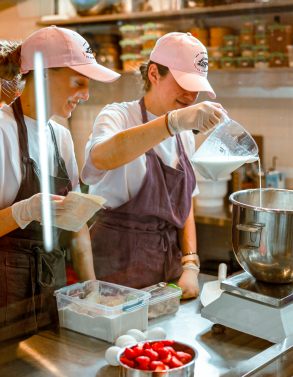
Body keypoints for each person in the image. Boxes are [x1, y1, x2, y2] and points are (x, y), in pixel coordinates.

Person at [0, 26, 120, 345]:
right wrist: (24, 211)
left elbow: (76, 225)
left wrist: (92, 292)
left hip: (51, 290)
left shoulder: (61, 136)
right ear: (46, 73)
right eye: (79, 82)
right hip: (0, 295)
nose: (86, 95)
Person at [83, 32, 227, 298]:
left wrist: (190, 264)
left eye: (196, 86)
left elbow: (185, 205)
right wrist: (172, 122)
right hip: (116, 268)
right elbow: (100, 158)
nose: (190, 95)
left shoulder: (185, 133)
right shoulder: (117, 116)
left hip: (168, 269)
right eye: (183, 83)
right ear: (154, 74)